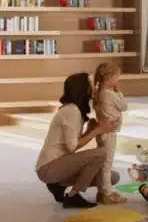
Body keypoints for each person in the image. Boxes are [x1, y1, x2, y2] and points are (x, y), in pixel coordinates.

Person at [34, 73, 118, 208]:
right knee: (101, 153)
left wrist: (91, 131)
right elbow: (71, 147)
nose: (95, 88)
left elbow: (70, 144)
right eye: (91, 85)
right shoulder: (71, 111)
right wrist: (97, 131)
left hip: (59, 165)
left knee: (111, 177)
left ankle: (59, 185)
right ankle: (73, 195)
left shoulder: (74, 110)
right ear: (84, 90)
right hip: (49, 168)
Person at [92, 62, 127, 204]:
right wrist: (118, 91)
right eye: (116, 78)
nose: (117, 80)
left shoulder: (99, 92)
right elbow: (124, 106)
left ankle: (102, 192)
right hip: (110, 133)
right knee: (107, 164)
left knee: (103, 163)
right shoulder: (110, 94)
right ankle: (106, 193)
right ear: (108, 78)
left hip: (102, 133)